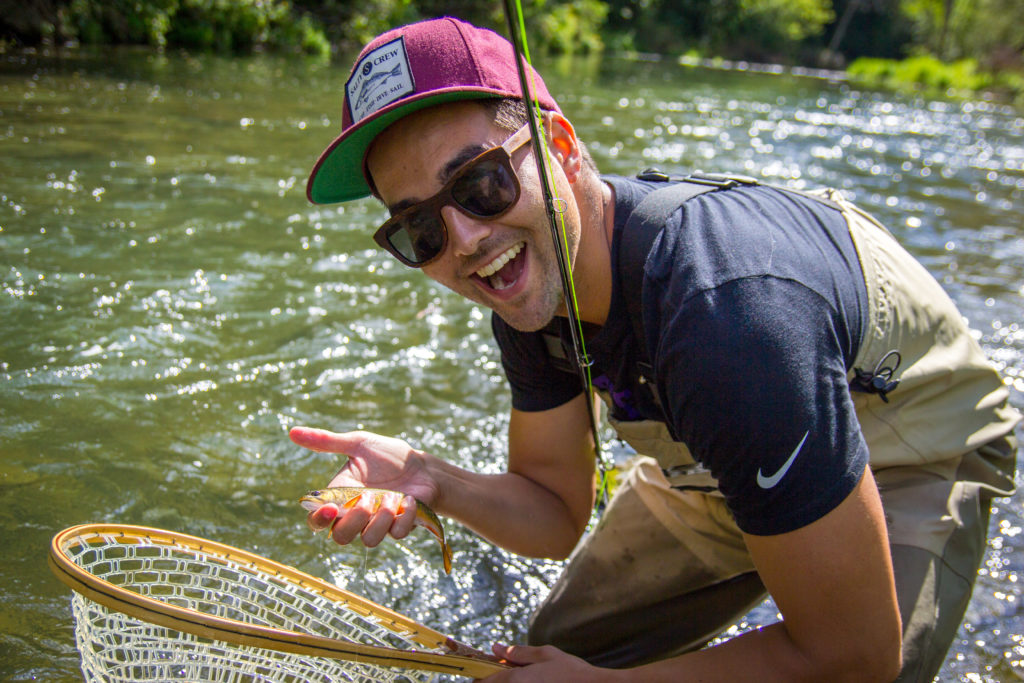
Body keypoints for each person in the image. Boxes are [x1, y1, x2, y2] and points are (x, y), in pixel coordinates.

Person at [292, 15, 1020, 682]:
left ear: (563, 149)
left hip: (910, 443)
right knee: (554, 650)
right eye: (419, 229)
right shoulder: (526, 288)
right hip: (730, 447)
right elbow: (553, 510)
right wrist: (430, 477)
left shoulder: (729, 318)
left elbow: (854, 653)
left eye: (481, 181)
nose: (466, 240)